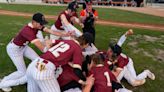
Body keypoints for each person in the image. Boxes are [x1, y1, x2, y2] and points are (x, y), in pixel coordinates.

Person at [0, 12, 70, 92]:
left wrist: (65, 35)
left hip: (23, 47)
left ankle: (35, 78)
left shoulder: (37, 26)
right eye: (40, 23)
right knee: (22, 72)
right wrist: (49, 45)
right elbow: (42, 49)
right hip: (14, 49)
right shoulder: (28, 31)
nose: (41, 25)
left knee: (37, 60)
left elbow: (52, 32)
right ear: (34, 22)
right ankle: (4, 82)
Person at [25, 33, 93, 92]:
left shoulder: (67, 41)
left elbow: (49, 41)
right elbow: (77, 70)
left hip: (34, 64)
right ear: (86, 43)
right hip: (44, 69)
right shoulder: (77, 48)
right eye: (88, 45)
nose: (86, 47)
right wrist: (85, 81)